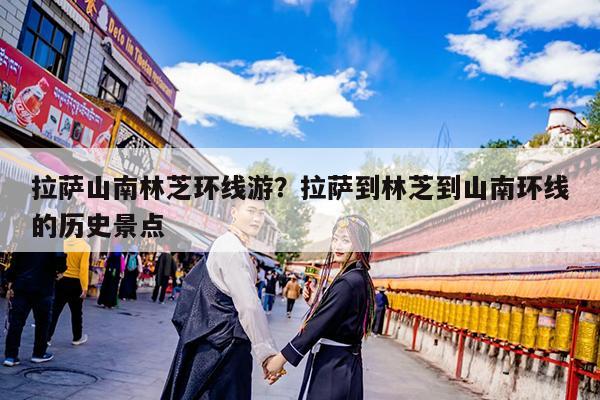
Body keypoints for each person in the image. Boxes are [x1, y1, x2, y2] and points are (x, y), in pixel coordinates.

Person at [161, 195, 278, 400]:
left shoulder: (228, 243)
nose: (257, 218)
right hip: (224, 350)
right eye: (251, 211)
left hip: (213, 344)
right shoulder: (232, 248)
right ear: (234, 212)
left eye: (261, 213)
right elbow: (249, 306)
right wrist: (267, 353)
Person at [265, 215, 376, 400]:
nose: (338, 245)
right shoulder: (358, 276)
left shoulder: (348, 281)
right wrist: (318, 304)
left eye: (346, 240)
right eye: (335, 239)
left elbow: (317, 326)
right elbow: (337, 317)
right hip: (344, 363)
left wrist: (280, 359)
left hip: (334, 367)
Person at [3, 220, 67, 367]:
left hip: (22, 285)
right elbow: (60, 259)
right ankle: (38, 353)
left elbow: (15, 260)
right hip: (43, 287)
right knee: (42, 322)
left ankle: (11, 356)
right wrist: (60, 270)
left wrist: (10, 281)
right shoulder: (55, 237)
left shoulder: (26, 235)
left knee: (16, 322)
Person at [47, 234, 91, 346]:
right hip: (76, 283)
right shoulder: (85, 247)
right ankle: (77, 337)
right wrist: (85, 287)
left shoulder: (64, 243)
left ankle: (47, 337)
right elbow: (83, 269)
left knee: (55, 311)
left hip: (62, 280)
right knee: (76, 312)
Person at [97, 244, 124, 309]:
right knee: (113, 289)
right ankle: (111, 304)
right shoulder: (121, 256)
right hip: (115, 275)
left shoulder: (110, 255)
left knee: (106, 287)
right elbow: (122, 267)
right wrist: (122, 272)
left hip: (108, 274)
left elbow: (105, 264)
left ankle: (105, 303)